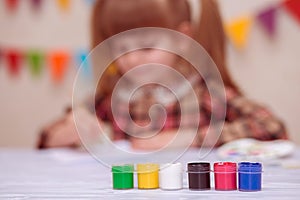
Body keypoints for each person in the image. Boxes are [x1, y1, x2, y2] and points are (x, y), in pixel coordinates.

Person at [37, 0, 288, 150]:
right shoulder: (113, 97)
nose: (133, 59)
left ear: (183, 38)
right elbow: (45, 138)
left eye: (146, 47)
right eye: (121, 49)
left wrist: (192, 138)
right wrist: (68, 133)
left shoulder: (204, 94)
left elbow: (273, 128)